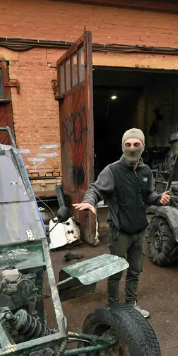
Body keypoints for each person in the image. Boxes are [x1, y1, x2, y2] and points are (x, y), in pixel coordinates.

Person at [73, 128, 170, 318]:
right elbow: (96, 189)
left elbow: (148, 194)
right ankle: (114, 307)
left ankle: (131, 304)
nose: (132, 148)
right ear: (122, 146)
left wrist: (159, 199)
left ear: (142, 146)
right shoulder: (112, 170)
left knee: (135, 270)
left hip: (139, 231)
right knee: (116, 270)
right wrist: (89, 201)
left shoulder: (146, 171)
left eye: (136, 144)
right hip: (120, 232)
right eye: (128, 145)